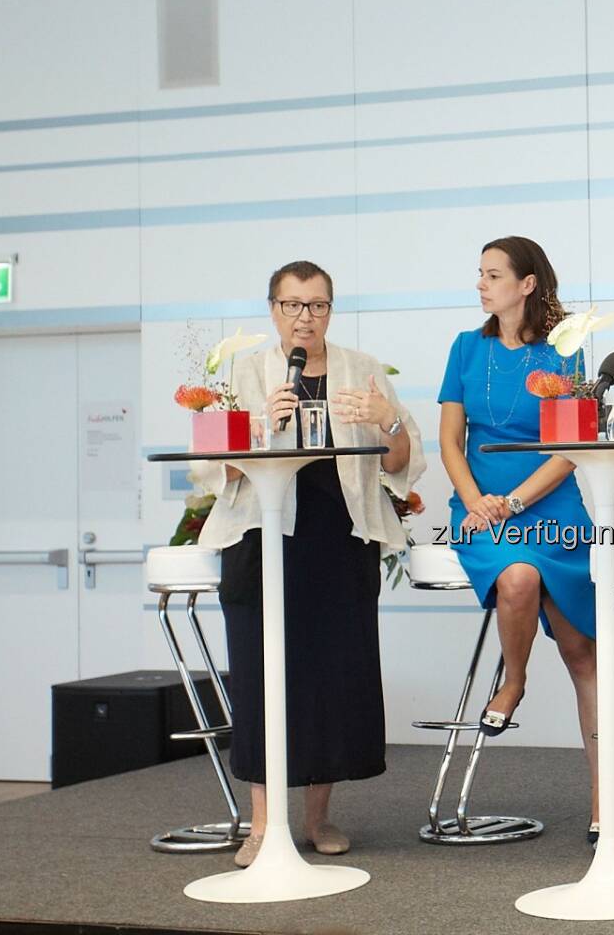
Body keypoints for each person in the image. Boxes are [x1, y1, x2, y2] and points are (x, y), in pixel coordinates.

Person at [192, 260, 426, 867]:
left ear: (330, 310)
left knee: (330, 679)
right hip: (261, 539)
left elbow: (404, 457)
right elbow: (209, 470)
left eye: (317, 305)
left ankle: (318, 819)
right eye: (294, 305)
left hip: (338, 540)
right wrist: (261, 425)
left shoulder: (363, 370)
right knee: (260, 676)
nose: (306, 317)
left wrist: (387, 420)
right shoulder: (245, 373)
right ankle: (262, 825)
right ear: (273, 309)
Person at [437, 236, 599, 838]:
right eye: (479, 274)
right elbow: (451, 439)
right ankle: (516, 680)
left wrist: (512, 501)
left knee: (584, 655)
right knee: (519, 575)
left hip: (549, 507)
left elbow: (571, 450)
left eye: (494, 274)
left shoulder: (566, 351)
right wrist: (477, 500)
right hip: (480, 511)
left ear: (527, 284)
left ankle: (602, 805)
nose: (481, 284)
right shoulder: (464, 347)